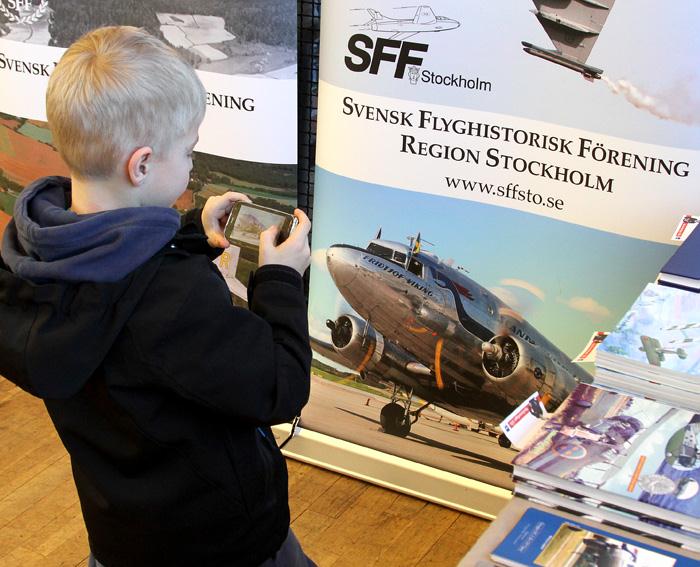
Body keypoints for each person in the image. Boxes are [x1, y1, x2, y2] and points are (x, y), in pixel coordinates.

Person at [0, 26, 314, 566]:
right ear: (142, 165)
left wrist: (187, 230)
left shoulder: (31, 258)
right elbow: (280, 386)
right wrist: (282, 280)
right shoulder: (172, 296)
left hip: (123, 540)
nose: (191, 166)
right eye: (188, 151)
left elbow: (119, 269)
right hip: (226, 546)